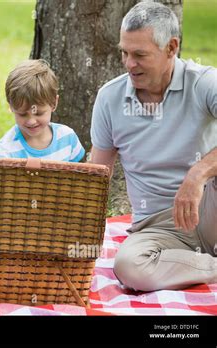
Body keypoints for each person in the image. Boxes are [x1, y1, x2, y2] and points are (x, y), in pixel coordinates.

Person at [89, 2, 217, 291]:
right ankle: (209, 267)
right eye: (124, 52)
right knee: (129, 267)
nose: (128, 63)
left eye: (139, 55)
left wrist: (198, 174)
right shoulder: (109, 99)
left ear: (171, 48)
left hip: (210, 207)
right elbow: (97, 175)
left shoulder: (205, 83)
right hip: (158, 227)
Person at [0, 59, 85, 162]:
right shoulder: (4, 153)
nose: (31, 121)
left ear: (54, 103)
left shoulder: (68, 139)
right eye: (22, 114)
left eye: (39, 113)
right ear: (11, 107)